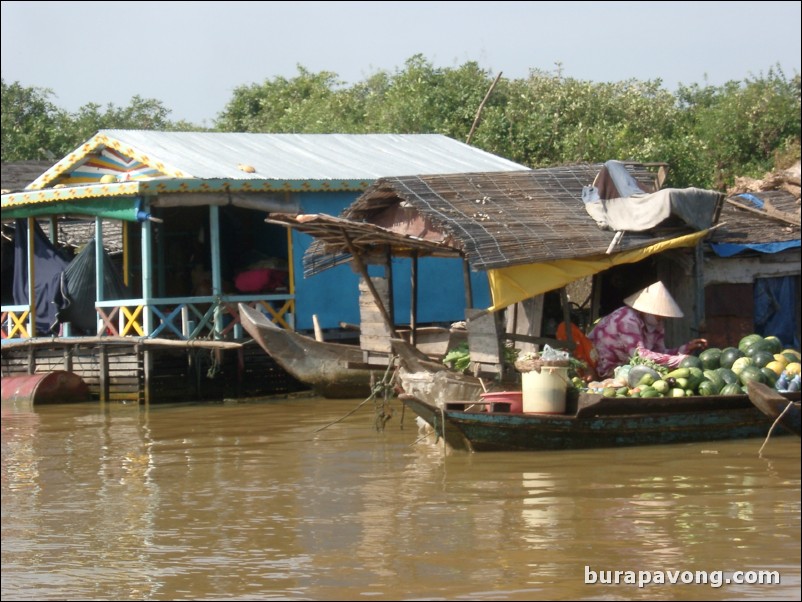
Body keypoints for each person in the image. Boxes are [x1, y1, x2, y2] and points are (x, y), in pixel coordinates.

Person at [588, 281, 708, 379]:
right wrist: (679, 360)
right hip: (602, 371)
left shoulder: (656, 324)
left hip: (627, 371)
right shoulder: (627, 319)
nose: (662, 318)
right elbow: (640, 356)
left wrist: (687, 348)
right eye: (659, 315)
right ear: (646, 310)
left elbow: (659, 353)